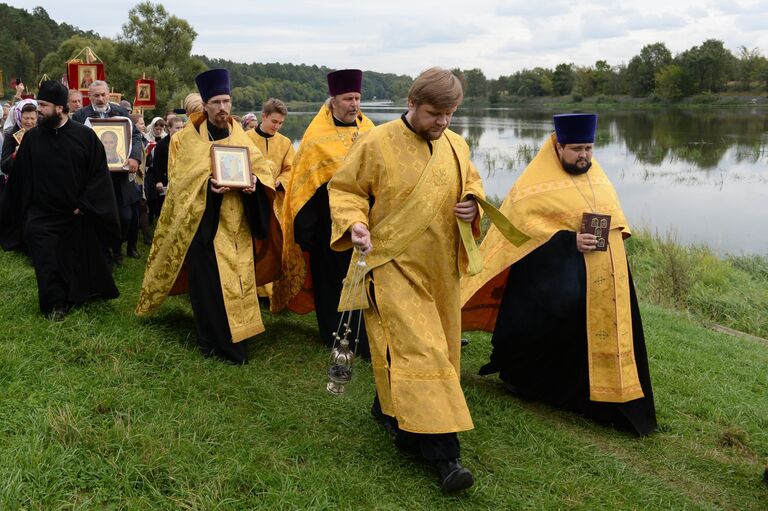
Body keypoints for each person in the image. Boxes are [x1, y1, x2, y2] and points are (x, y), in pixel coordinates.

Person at [328, 67, 484, 493]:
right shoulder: (376, 143)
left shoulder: (456, 145)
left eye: (450, 113)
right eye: (436, 113)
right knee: (422, 352)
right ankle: (446, 458)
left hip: (441, 271)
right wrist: (355, 223)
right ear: (412, 103)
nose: (444, 122)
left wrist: (473, 205)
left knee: (438, 349)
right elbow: (345, 190)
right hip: (393, 264)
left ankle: (389, 408)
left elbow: (472, 186)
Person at [461, 113, 658, 436]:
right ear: (559, 147)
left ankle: (597, 398)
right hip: (545, 285)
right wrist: (568, 242)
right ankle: (529, 383)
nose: (584, 156)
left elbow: (616, 220)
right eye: (577, 148)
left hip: (599, 279)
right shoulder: (534, 184)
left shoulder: (598, 178)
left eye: (589, 149)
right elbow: (520, 239)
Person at [135, 69, 281, 365]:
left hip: (239, 224)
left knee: (240, 281)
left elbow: (262, 171)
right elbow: (182, 185)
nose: (223, 108)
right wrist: (208, 187)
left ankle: (241, 335)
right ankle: (214, 342)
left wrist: (253, 184)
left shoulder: (241, 135)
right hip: (206, 227)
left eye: (226, 101)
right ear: (205, 105)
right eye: (215, 102)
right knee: (211, 287)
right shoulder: (188, 140)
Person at [272, 69, 374, 354]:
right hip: (326, 226)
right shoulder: (316, 137)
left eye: (357, 98)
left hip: (365, 220)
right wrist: (308, 232)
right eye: (348, 98)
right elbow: (304, 186)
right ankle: (333, 333)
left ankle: (364, 334)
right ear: (333, 101)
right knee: (332, 282)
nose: (354, 104)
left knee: (363, 278)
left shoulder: (370, 131)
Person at [0, 81, 120, 319]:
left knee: (71, 258)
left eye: (43, 105)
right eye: (38, 105)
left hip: (74, 213)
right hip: (41, 214)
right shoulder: (32, 139)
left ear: (60, 108)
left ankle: (75, 294)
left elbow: (98, 176)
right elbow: (20, 177)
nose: (38, 110)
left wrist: (84, 205)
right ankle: (54, 304)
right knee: (46, 259)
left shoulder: (84, 137)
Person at [73, 80, 143, 266]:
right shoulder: (80, 116)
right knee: (100, 217)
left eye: (103, 94)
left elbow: (135, 136)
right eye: (96, 95)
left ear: (108, 94)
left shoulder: (120, 112)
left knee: (125, 217)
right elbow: (74, 141)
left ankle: (117, 246)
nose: (101, 98)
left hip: (120, 177)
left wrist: (135, 157)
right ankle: (108, 252)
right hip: (95, 179)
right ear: (89, 97)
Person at [1, 99, 37, 177]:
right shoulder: (10, 135)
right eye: (26, 118)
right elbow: (4, 167)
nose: (29, 122)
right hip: (19, 182)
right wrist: (15, 154)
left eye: (32, 118)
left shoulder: (41, 134)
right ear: (19, 117)